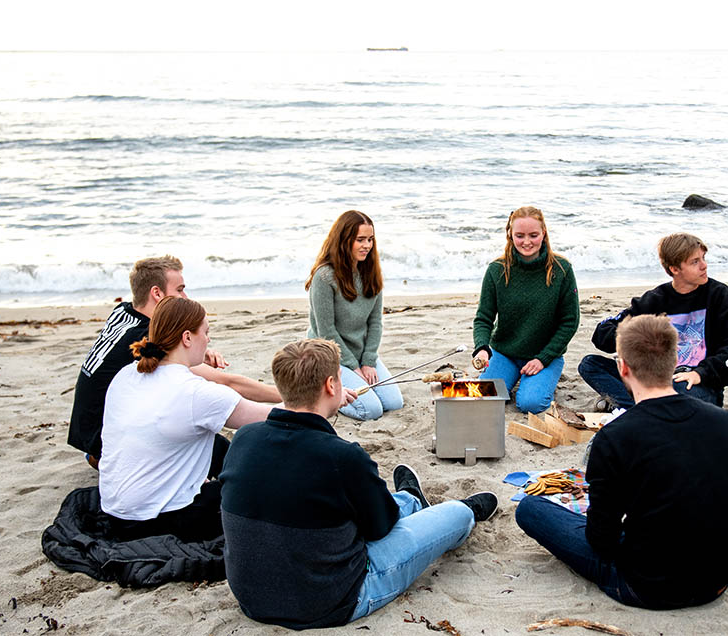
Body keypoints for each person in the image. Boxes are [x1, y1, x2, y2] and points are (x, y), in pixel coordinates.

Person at [220, 338, 499, 629]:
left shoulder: (243, 438)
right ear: (331, 386)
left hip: (253, 598)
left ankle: (410, 497)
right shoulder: (341, 456)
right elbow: (382, 528)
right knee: (454, 515)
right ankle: (457, 509)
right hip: (334, 599)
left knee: (338, 505)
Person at [516, 314, 728, 609]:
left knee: (531, 509)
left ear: (622, 367)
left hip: (645, 586)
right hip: (716, 580)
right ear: (675, 360)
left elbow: (602, 541)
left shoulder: (615, 437)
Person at [67, 255, 291, 467]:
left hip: (90, 438)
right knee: (208, 440)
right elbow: (227, 382)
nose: (185, 297)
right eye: (180, 290)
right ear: (157, 293)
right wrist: (291, 396)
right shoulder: (145, 338)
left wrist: (198, 351)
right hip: (108, 451)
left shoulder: (123, 313)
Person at [98, 296, 277, 542]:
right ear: (187, 337)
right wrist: (326, 398)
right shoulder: (195, 392)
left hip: (116, 515)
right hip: (157, 523)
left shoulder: (126, 374)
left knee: (213, 442)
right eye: (206, 332)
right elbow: (280, 419)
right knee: (254, 462)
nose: (209, 339)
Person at [579, 232, 728, 409]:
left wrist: (702, 373)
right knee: (590, 365)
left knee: (683, 392)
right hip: (654, 379)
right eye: (695, 262)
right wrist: (637, 340)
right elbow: (602, 331)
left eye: (703, 258)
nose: (704, 266)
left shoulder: (718, 294)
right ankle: (642, 409)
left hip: (694, 383)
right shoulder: (655, 299)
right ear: (675, 269)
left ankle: (633, 408)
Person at [471, 206, 580, 413]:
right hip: (505, 353)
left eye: (533, 235)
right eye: (520, 236)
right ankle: (514, 376)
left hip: (544, 354)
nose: (527, 242)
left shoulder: (562, 269)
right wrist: (482, 348)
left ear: (543, 233)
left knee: (530, 404)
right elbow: (483, 318)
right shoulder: (497, 270)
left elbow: (570, 321)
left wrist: (543, 358)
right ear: (510, 235)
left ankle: (542, 379)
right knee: (484, 397)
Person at [306, 210, 402, 421]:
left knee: (394, 403)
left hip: (360, 354)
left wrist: (368, 361)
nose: (367, 245)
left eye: (370, 240)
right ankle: (327, 397)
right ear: (343, 240)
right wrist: (354, 366)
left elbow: (375, 323)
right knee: (371, 410)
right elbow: (326, 332)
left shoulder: (371, 273)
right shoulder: (324, 277)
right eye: (360, 240)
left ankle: (348, 381)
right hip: (329, 354)